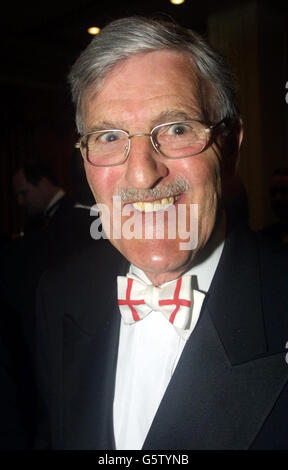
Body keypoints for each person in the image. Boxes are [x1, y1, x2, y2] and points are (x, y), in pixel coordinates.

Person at [34, 17, 288, 450]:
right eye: (110, 136)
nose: (142, 174)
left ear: (229, 149)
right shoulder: (58, 296)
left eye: (176, 129)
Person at [13, 162, 73, 234]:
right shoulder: (36, 221)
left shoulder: (73, 214)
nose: (20, 201)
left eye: (24, 193)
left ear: (44, 184)